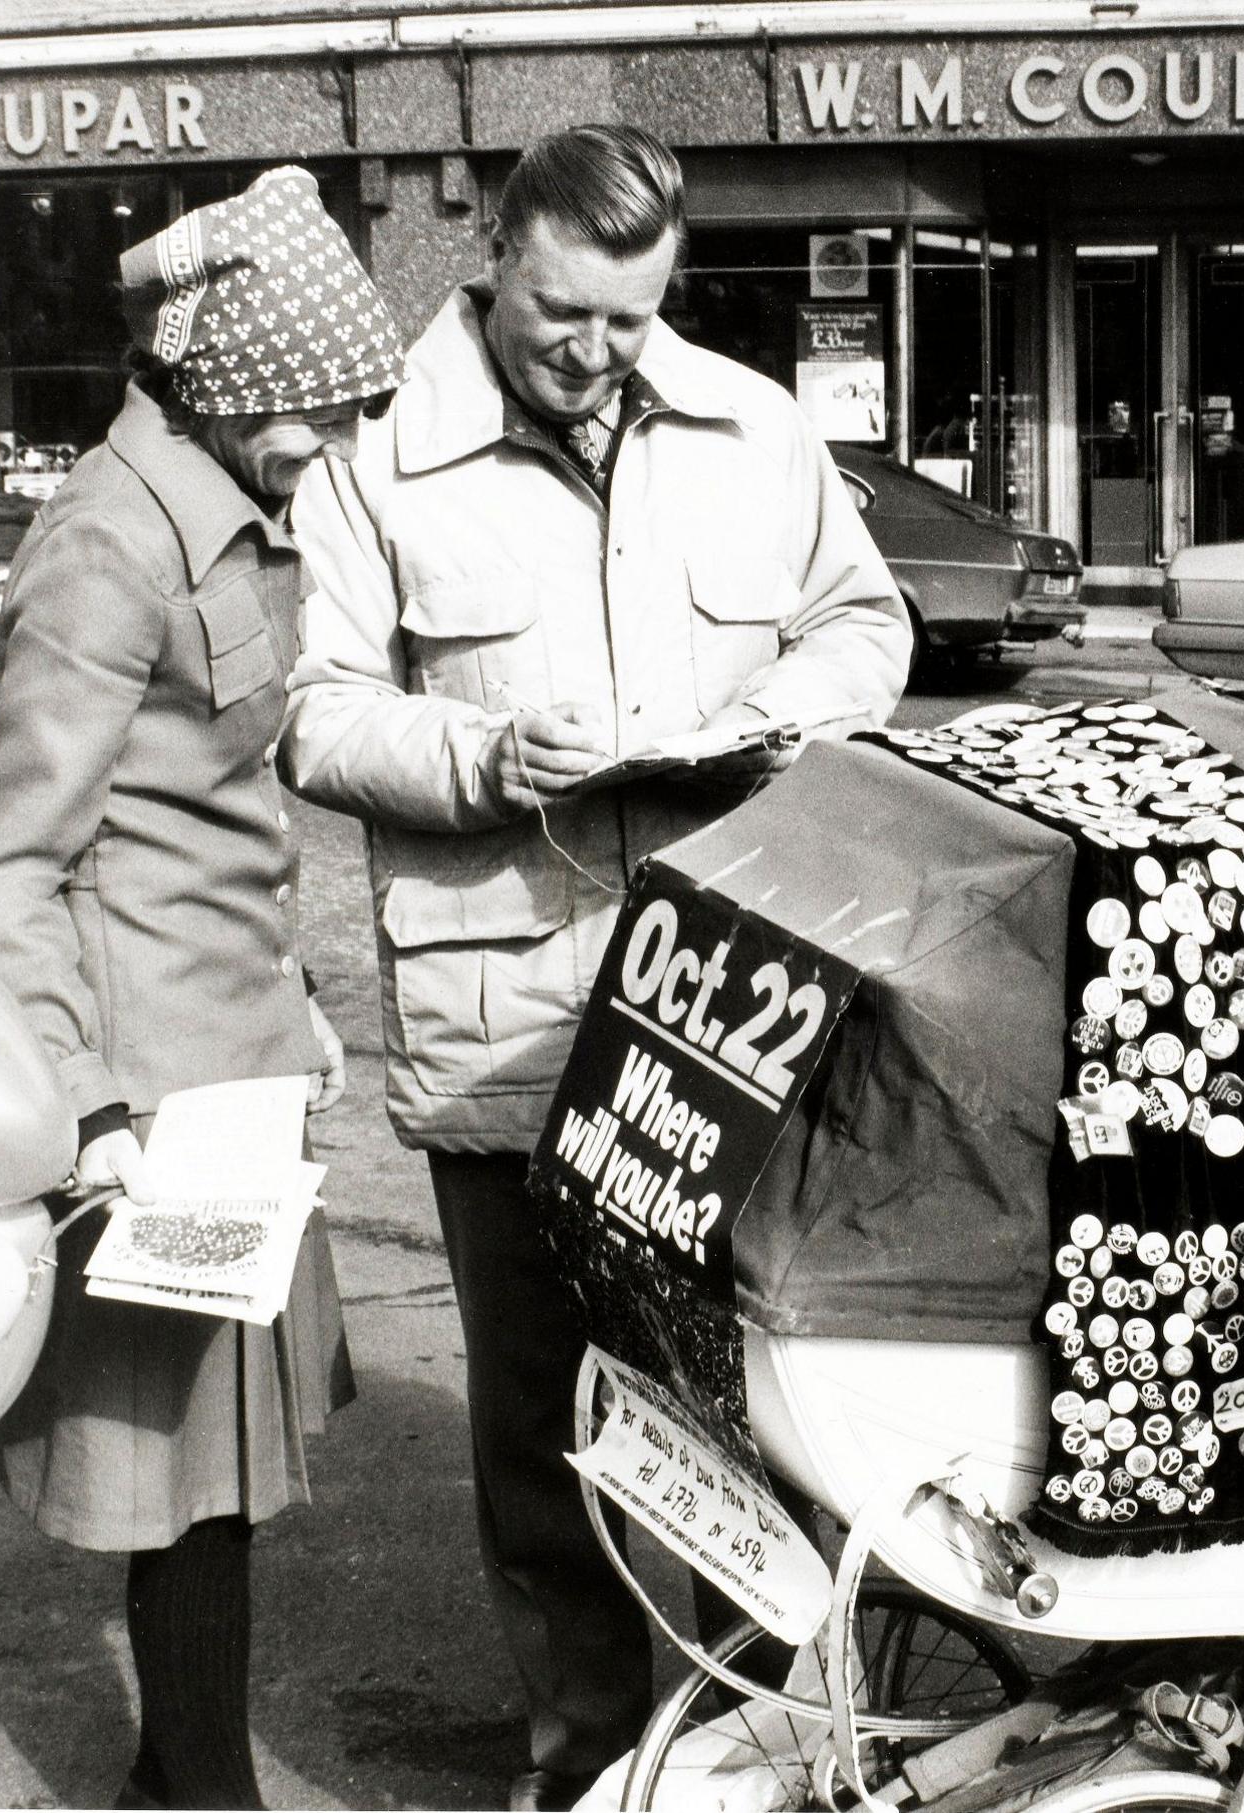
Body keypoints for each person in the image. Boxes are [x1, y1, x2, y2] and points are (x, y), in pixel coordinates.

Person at [280, 123, 907, 1810]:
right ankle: (589, 1765)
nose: (595, 352)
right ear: (495, 250)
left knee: (766, 1412)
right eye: (563, 312)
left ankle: (774, 1754)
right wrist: (487, 759)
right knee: (550, 1439)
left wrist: (776, 716)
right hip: (511, 1031)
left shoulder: (755, 428)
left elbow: (868, 624)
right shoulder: (376, 460)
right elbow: (314, 714)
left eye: (632, 319)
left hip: (729, 1014)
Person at [0, 165, 403, 1809]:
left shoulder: (220, 506)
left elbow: (210, 817)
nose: (332, 451)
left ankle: (176, 1774)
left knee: (221, 1480)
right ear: (232, 385)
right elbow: (14, 859)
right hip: (152, 1100)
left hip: (232, 1069)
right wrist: (81, 1099)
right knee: (181, 1475)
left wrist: (294, 1002)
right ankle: (203, 1790)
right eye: (318, 418)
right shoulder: (105, 542)